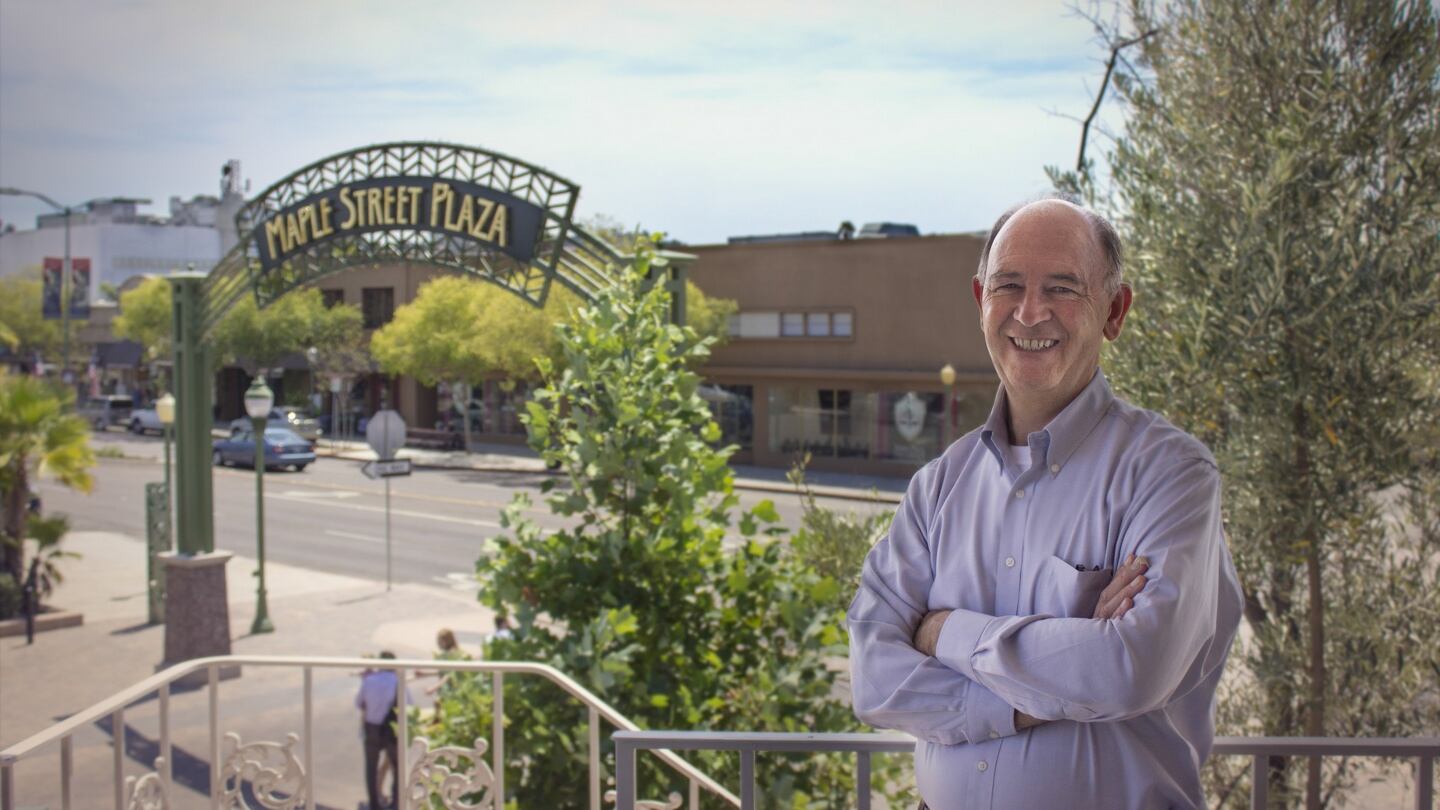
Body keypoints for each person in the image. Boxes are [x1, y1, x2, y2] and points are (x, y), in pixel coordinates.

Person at [847, 198, 1242, 810]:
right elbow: (874, 679)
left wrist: (943, 631)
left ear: (1114, 312)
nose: (1030, 312)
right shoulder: (936, 489)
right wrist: (1041, 686)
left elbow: (1128, 670)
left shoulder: (1170, 475)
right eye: (1009, 285)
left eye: (1063, 288)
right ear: (981, 299)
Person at [355, 651, 412, 810]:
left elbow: (359, 702)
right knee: (397, 767)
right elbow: (409, 704)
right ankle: (396, 802)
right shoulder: (397, 681)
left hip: (372, 727)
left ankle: (374, 803)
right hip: (391, 729)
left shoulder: (370, 681)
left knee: (371, 767)